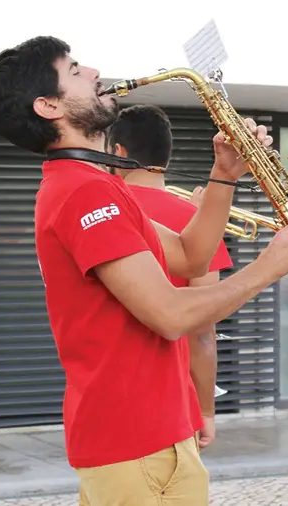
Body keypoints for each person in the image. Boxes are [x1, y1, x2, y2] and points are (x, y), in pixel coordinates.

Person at [0, 36, 288, 506]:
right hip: (135, 443)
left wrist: (224, 175)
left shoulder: (96, 184)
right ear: (48, 105)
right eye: (75, 69)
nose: (94, 71)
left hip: (149, 436)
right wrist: (269, 267)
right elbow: (169, 313)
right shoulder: (86, 193)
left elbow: (189, 257)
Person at [106, 104, 233, 451]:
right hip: (174, 404)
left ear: (118, 152)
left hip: (109, 395)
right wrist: (206, 409)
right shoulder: (200, 221)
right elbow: (203, 330)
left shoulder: (101, 208)